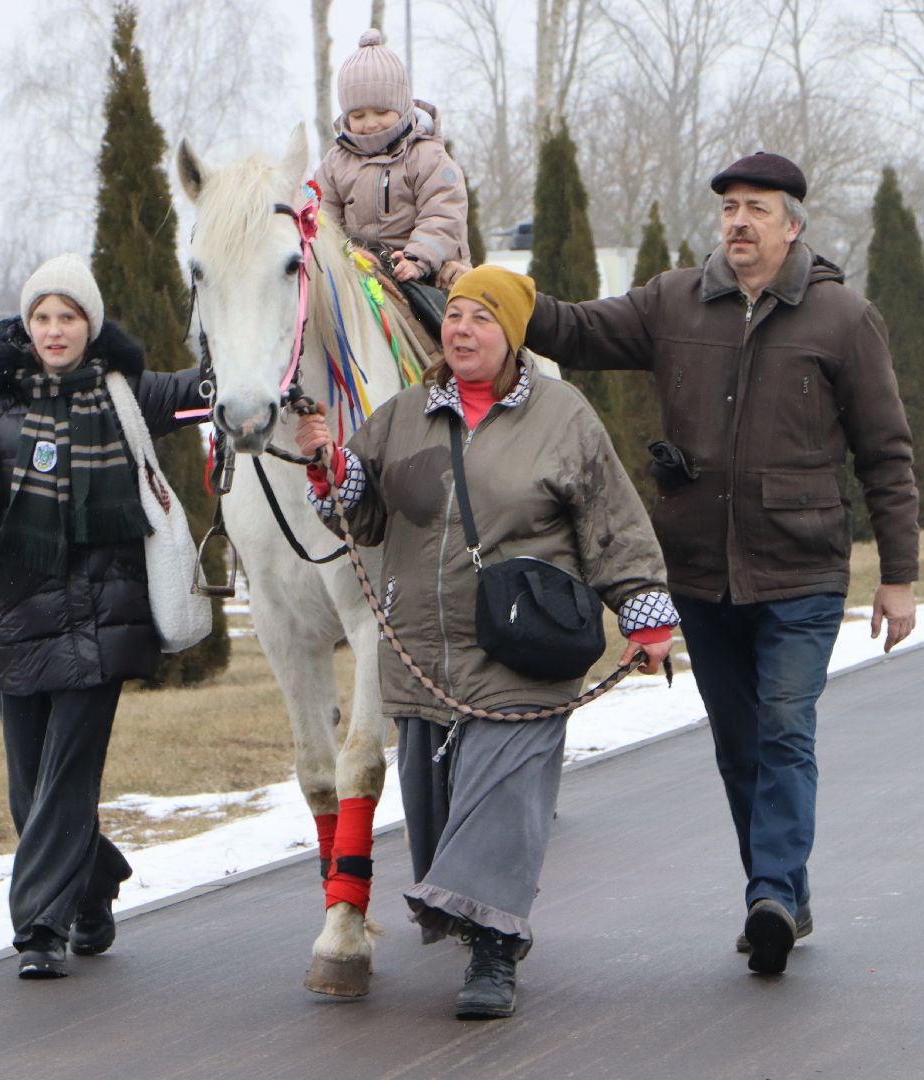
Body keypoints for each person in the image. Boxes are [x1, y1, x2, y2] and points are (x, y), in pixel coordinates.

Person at [523, 152, 920, 975]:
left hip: (801, 571)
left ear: (793, 225)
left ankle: (769, 893)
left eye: (758, 209)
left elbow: (886, 454)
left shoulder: (843, 318)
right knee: (739, 742)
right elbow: (572, 329)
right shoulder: (673, 302)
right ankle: (783, 892)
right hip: (700, 570)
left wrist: (898, 573)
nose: (739, 221)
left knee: (784, 725)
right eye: (730, 207)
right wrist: (480, 291)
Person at [294, 265, 680, 1019]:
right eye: (456, 316)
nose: (463, 330)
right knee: (440, 822)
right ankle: (477, 929)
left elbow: (615, 526)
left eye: (482, 318)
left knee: (500, 801)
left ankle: (496, 954)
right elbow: (363, 515)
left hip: (523, 651)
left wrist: (647, 619)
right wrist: (330, 466)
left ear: (512, 336)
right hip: (423, 655)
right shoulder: (404, 414)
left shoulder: (563, 416)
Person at [0, 253, 207, 979]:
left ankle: (39, 930)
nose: (55, 330)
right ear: (27, 327)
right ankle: (95, 883)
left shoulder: (127, 395)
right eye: (43, 317)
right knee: (30, 793)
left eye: (69, 316)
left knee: (64, 779)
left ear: (91, 324)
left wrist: (235, 323)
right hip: (16, 613)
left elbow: (204, 393)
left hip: (101, 621)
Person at [313, 29, 471, 288]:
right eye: (358, 115)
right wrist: (343, 251)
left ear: (402, 107)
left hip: (427, 273)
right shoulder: (334, 164)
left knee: (435, 324)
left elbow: (443, 214)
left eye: (382, 111)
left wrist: (416, 258)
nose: (370, 123)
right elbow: (321, 219)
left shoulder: (426, 156)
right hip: (359, 271)